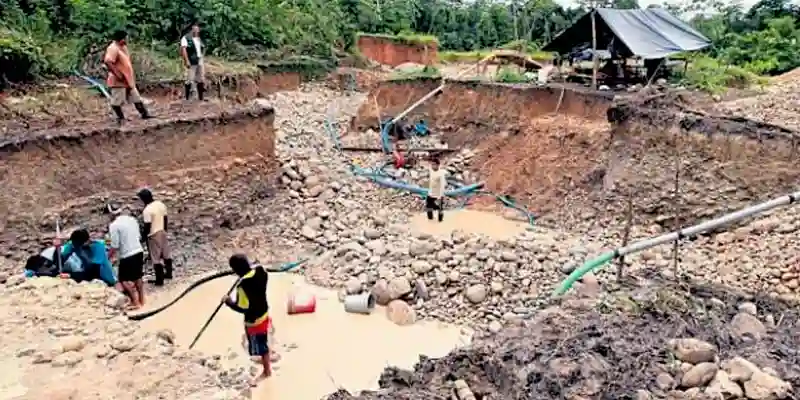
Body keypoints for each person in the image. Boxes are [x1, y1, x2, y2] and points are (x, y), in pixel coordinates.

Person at [222, 254, 272, 381]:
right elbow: (259, 268)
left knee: (260, 347)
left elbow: (242, 307)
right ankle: (266, 360)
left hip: (254, 321)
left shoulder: (243, 286)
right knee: (263, 339)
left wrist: (228, 301)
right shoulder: (261, 271)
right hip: (264, 312)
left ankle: (267, 371)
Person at [104, 29, 152, 124]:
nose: (127, 39)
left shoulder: (122, 47)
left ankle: (145, 114)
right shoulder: (113, 48)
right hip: (118, 81)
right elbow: (108, 61)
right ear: (121, 39)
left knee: (137, 98)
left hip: (127, 80)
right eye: (126, 38)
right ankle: (120, 118)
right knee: (116, 102)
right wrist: (117, 73)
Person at [106, 203, 146, 309]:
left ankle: (135, 302)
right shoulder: (132, 220)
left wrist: (107, 257)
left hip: (127, 254)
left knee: (123, 279)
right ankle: (142, 300)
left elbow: (115, 245)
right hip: (138, 250)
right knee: (138, 277)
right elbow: (139, 236)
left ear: (111, 213)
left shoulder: (114, 225)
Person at [137, 188, 173, 286]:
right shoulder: (160, 204)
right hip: (162, 230)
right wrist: (165, 230)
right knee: (166, 254)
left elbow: (147, 226)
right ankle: (169, 274)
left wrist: (143, 238)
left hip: (154, 234)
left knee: (155, 257)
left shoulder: (147, 210)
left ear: (144, 199)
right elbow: (165, 218)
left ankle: (159, 280)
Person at [180, 22, 206, 101]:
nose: (196, 30)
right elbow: (183, 50)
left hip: (199, 60)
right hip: (191, 61)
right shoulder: (186, 38)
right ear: (191, 29)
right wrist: (187, 60)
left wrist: (202, 56)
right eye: (194, 29)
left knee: (201, 79)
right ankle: (187, 98)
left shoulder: (199, 39)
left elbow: (203, 48)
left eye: (197, 29)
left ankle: (201, 98)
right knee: (189, 79)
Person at [426, 157, 446, 222]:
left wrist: (440, 196)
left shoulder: (441, 174)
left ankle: (440, 221)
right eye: (432, 164)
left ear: (438, 165)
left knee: (440, 209)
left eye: (434, 164)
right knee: (429, 208)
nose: (432, 166)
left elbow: (442, 186)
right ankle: (430, 220)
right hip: (430, 194)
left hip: (438, 195)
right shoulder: (431, 170)